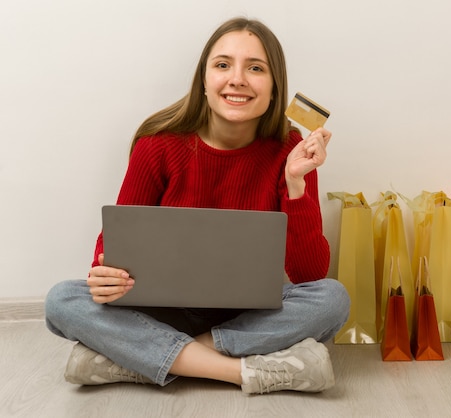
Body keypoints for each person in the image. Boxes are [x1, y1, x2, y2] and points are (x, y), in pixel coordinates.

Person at [44, 17, 350, 395]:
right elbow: (114, 248)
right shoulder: (157, 145)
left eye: (255, 68)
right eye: (223, 65)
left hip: (248, 315)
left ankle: (138, 360)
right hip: (163, 308)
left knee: (333, 298)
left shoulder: (292, 150)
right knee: (62, 300)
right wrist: (104, 274)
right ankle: (238, 371)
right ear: (203, 81)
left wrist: (295, 183)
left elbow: (309, 276)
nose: (237, 79)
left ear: (274, 88)